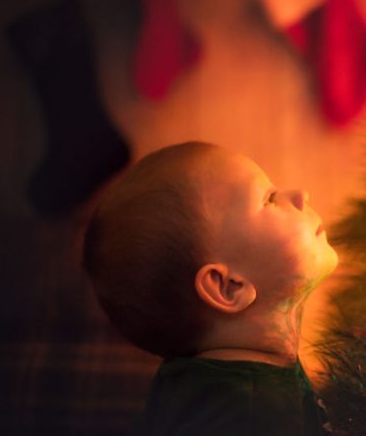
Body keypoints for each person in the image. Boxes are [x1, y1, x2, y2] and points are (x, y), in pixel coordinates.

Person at [82, 141, 338, 435]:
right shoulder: (250, 415)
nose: (300, 196)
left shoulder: (199, 382)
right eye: (269, 199)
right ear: (228, 286)